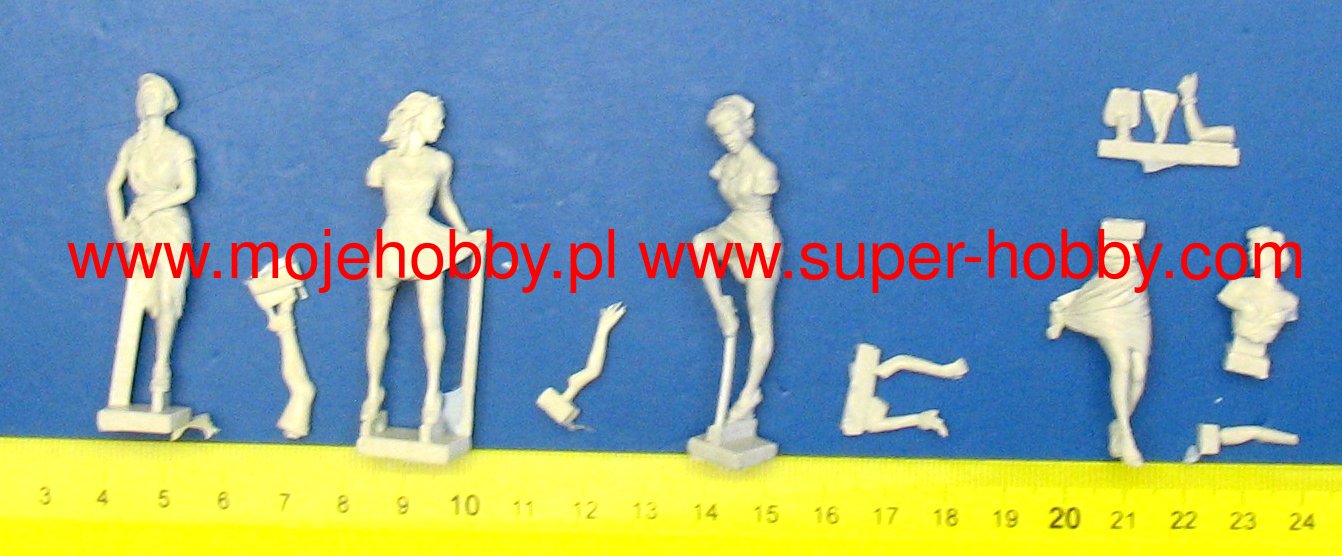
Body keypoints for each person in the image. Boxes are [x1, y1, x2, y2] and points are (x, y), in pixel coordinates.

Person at [361, 92, 479, 441]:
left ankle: (431, 399)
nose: (440, 127)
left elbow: (446, 201)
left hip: (425, 241)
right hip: (391, 242)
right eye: (436, 120)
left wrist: (466, 235)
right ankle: (373, 393)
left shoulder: (440, 162)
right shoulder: (382, 165)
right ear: (416, 119)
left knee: (432, 321)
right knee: (377, 322)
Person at [105, 73, 197, 413]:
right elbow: (112, 188)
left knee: (169, 293)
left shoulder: (179, 144)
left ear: (167, 101)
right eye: (144, 96)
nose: (149, 100)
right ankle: (124, 384)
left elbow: (188, 190)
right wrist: (121, 225)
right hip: (139, 228)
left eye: (155, 95)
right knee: (141, 294)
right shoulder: (132, 146)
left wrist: (152, 208)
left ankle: (161, 366)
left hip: (170, 224)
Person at [692, 94, 781, 423]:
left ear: (746, 128)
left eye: (731, 131)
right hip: (734, 227)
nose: (727, 139)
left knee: (760, 321)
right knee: (702, 243)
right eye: (721, 135)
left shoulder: (764, 169)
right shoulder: (725, 165)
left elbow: (760, 200)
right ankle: (722, 309)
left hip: (760, 239)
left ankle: (750, 392)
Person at [1047, 218, 1150, 467]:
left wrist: (1062, 308)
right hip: (1108, 319)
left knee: (1139, 373)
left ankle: (1119, 425)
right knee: (1122, 365)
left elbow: (1134, 300)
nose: (1116, 260)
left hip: (1134, 318)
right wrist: (1062, 311)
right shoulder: (1106, 276)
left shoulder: (1136, 276)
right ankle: (1126, 434)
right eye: (1111, 255)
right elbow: (1092, 293)